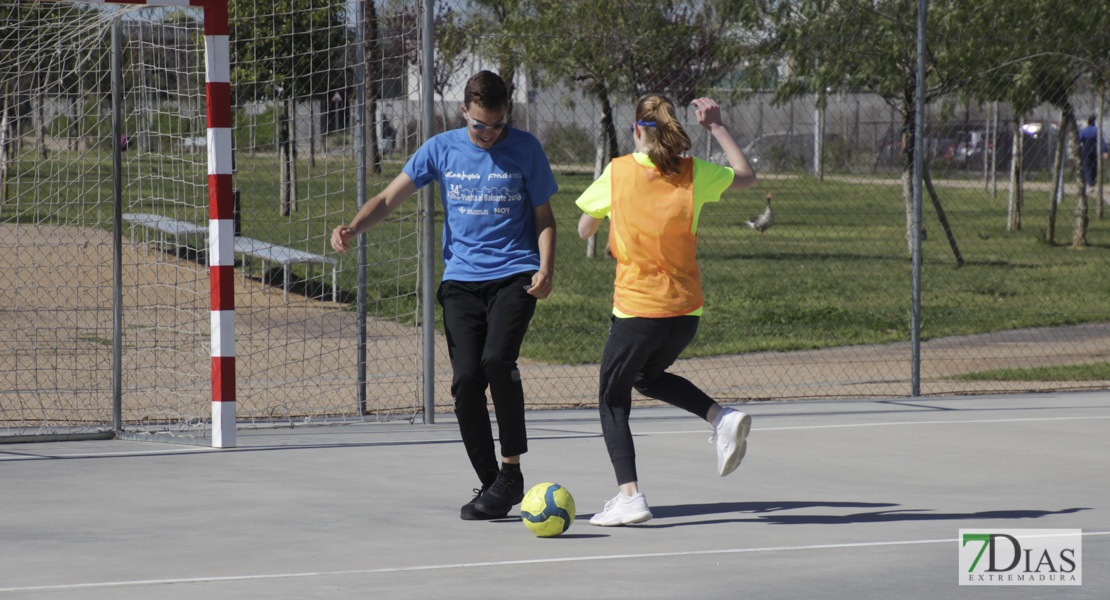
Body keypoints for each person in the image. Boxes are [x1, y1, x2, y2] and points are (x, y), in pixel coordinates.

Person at [331, 71, 558, 521]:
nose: (489, 134)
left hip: (515, 273)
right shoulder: (441, 148)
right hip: (461, 281)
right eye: (479, 125)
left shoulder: (526, 149)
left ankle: (511, 469)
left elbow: (545, 216)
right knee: (466, 379)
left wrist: (546, 266)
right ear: (463, 113)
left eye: (496, 125)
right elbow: (389, 197)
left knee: (498, 361)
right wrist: (354, 226)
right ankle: (495, 481)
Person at [574, 95, 757, 526]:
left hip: (638, 312)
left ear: (636, 130)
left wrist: (608, 216)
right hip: (684, 314)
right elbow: (747, 176)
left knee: (611, 399)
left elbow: (584, 226)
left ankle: (630, 497)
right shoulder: (694, 173)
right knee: (646, 378)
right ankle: (720, 417)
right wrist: (716, 126)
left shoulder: (618, 172)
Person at [1078, 115, 1108, 188]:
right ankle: (1093, 181)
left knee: (1086, 167)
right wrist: (1104, 151)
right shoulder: (1096, 130)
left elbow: (1079, 139)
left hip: (1086, 150)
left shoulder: (1084, 130)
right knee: (1094, 167)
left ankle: (1090, 183)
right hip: (1094, 150)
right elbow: (1102, 142)